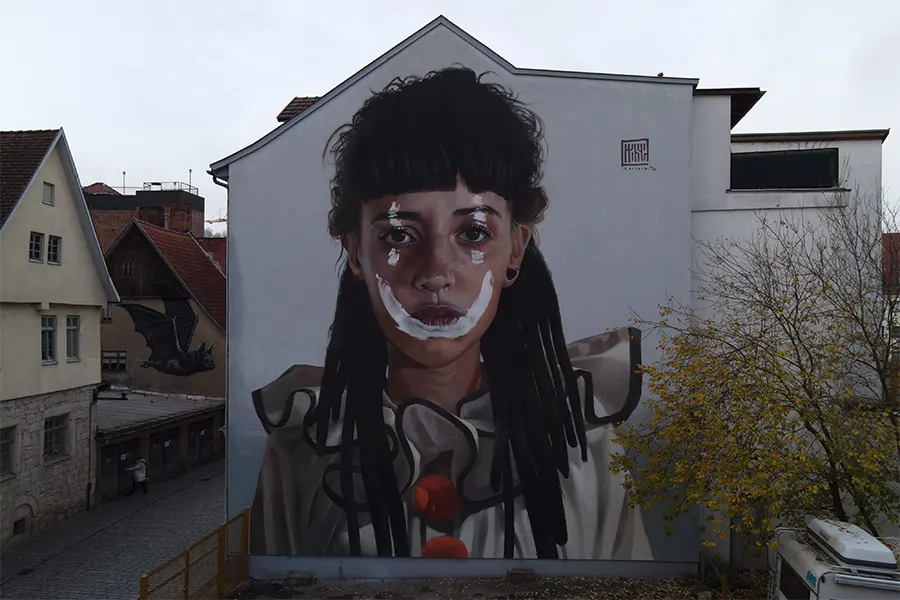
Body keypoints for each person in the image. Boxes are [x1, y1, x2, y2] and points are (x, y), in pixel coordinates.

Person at [248, 67, 652, 560]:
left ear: (515, 250)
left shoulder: (585, 450)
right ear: (355, 252)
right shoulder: (301, 451)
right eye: (399, 235)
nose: (436, 273)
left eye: (474, 233)